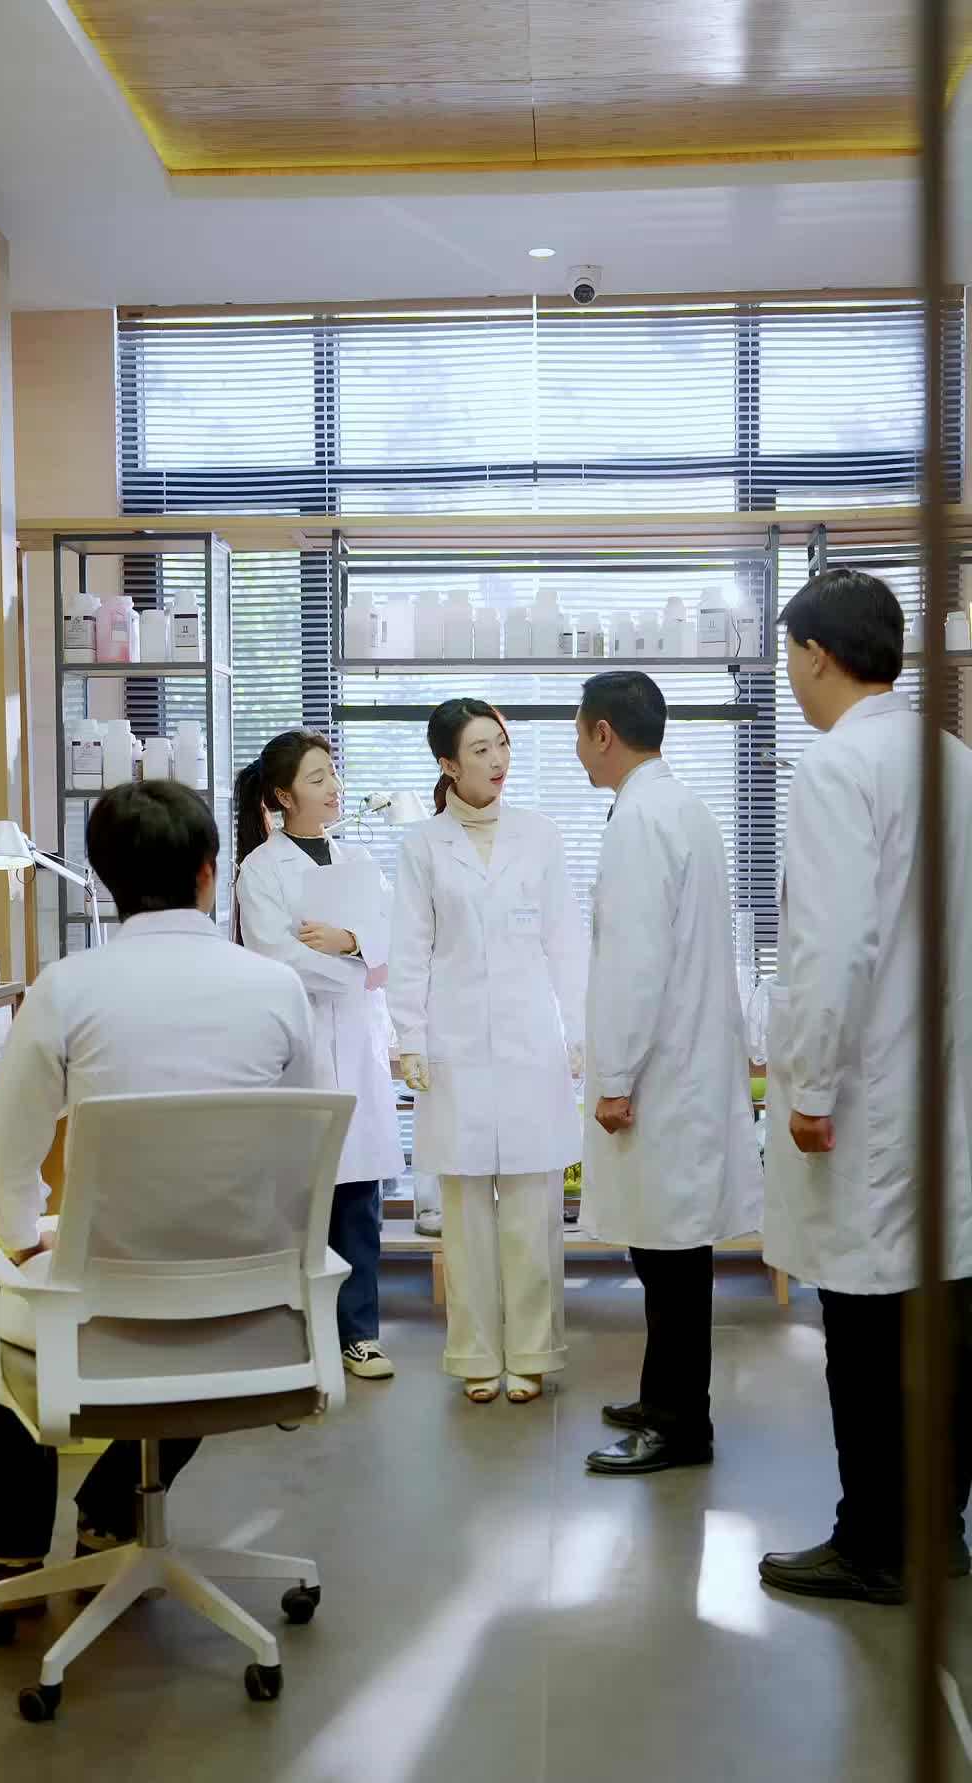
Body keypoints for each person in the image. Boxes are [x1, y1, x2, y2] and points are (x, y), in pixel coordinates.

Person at [0, 781, 315, 1607]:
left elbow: (6, 1147)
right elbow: (304, 1141)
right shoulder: (279, 988)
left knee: (8, 1283)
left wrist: (24, 1236)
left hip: (103, 1313)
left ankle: (4, 1552)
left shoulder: (67, 989)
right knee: (195, 1299)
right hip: (249, 1315)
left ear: (104, 880)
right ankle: (109, 1513)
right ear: (209, 872)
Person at [760, 569, 972, 1604]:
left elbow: (834, 947)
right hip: (944, 1090)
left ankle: (875, 1544)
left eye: (787, 657)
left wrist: (809, 1088)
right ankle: (938, 1532)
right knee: (944, 1321)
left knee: (865, 1324)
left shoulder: (838, 767)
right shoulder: (952, 759)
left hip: (871, 1096)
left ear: (814, 654)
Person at [575, 671, 762, 1476]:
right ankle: (664, 1399)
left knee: (674, 1258)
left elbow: (636, 963)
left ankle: (681, 1425)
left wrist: (615, 1077)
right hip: (682, 1064)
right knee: (665, 1253)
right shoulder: (679, 807)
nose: (579, 749)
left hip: (660, 1074)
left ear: (603, 733)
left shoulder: (642, 820)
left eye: (579, 733)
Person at [388, 698, 585, 1404]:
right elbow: (410, 948)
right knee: (466, 1212)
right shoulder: (421, 846)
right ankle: (474, 1352)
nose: (498, 760)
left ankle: (532, 1350)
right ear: (447, 764)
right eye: (479, 750)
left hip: (532, 1043)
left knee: (534, 1209)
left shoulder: (540, 835)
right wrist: (410, 1038)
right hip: (457, 1044)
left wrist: (579, 1031)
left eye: (501, 745)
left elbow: (565, 941)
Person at [234, 731, 404, 1382]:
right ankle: (299, 1333)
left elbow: (393, 941)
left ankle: (359, 1334)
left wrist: (349, 940)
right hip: (299, 1044)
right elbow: (277, 957)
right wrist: (357, 967)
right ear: (283, 796)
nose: (333, 787)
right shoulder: (260, 870)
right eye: (317, 778)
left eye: (333, 773)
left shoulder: (359, 860)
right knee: (302, 1198)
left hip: (356, 1043)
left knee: (359, 1195)